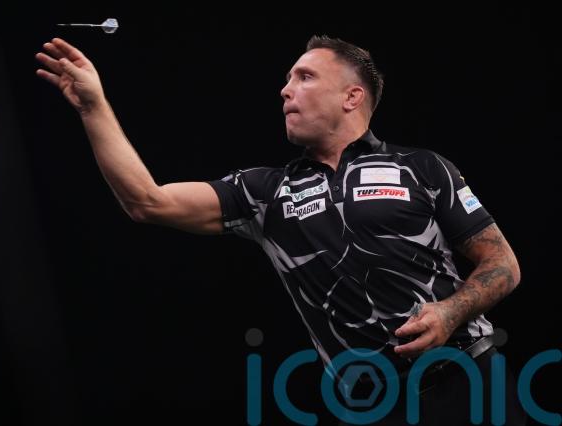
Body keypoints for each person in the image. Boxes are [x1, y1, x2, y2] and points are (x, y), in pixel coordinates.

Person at [36, 35, 526, 425]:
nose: (285, 89)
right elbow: (147, 201)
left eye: (304, 76)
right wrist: (92, 106)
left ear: (352, 96)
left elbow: (502, 263)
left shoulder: (422, 168)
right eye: (288, 79)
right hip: (370, 406)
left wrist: (449, 311)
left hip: (470, 382)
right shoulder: (266, 193)